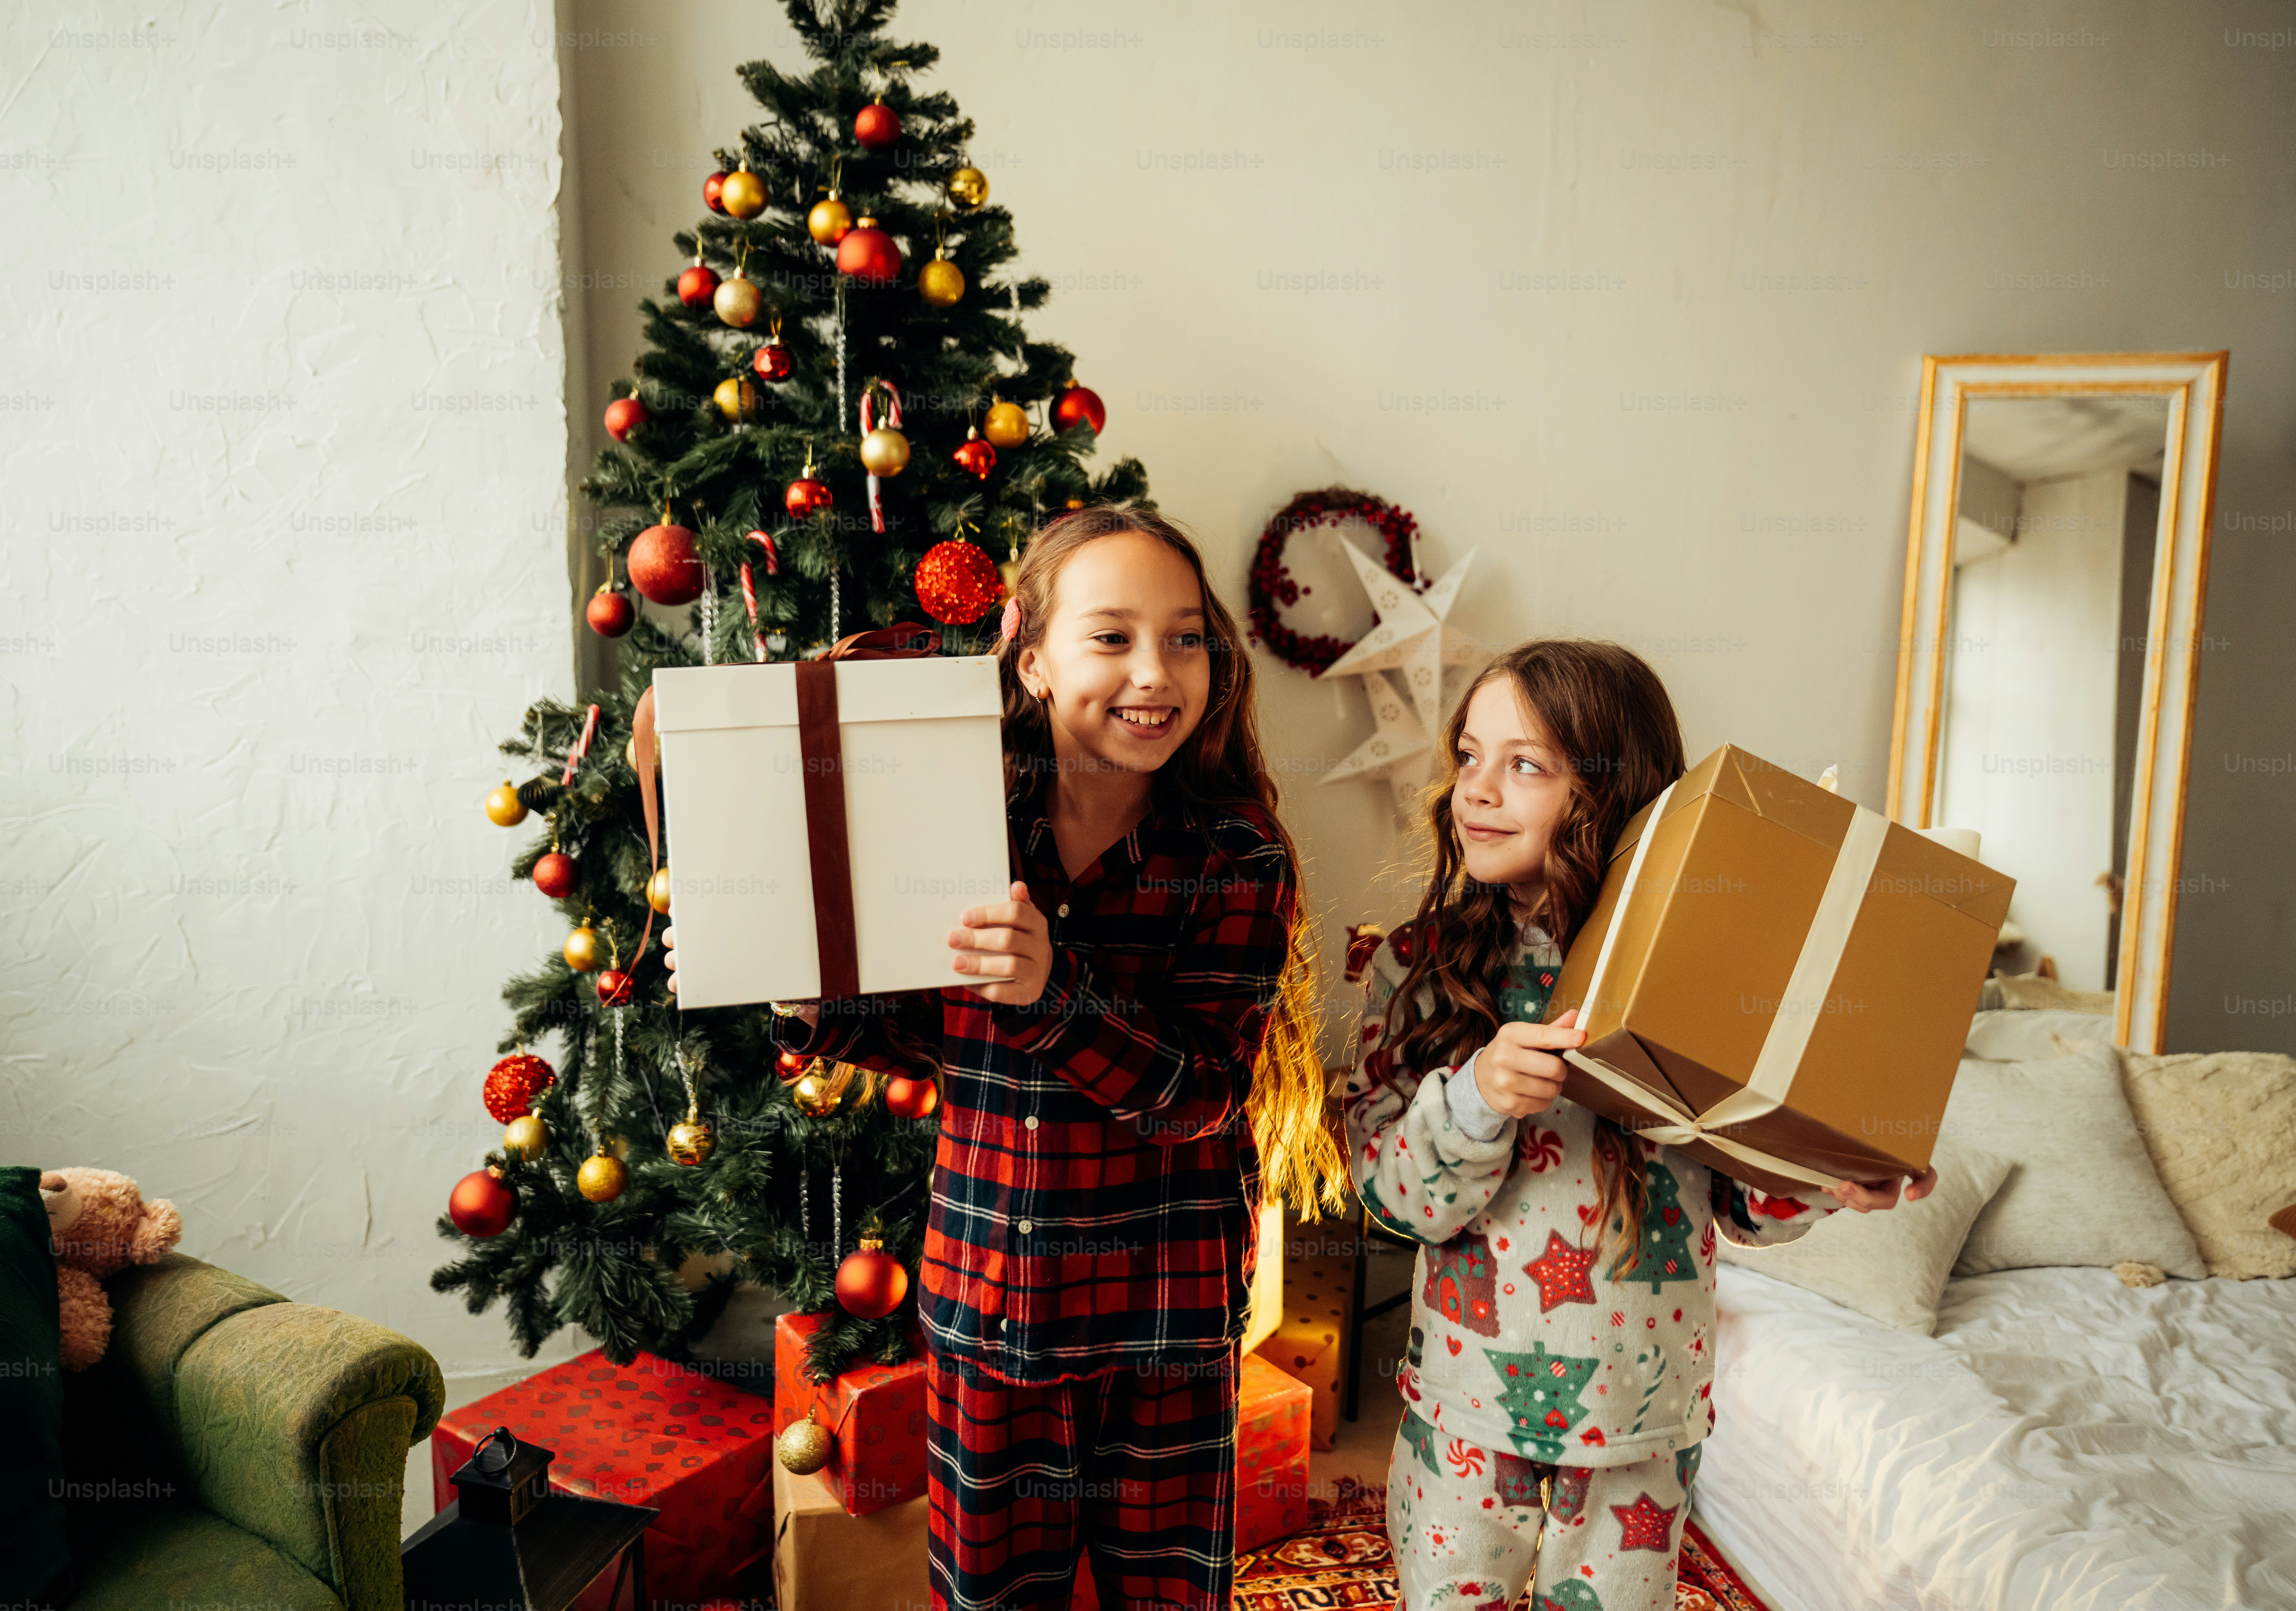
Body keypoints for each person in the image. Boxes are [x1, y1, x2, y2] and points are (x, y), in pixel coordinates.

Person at [669, 506, 1341, 1611]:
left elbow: (1203, 1096)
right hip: (995, 1304)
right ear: (1028, 656)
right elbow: (930, 1035)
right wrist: (795, 983)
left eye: (1184, 640)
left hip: (1162, 1316)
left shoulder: (1234, 851)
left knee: (1170, 1593)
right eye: (1112, 637)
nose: (1155, 671)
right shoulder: (957, 818)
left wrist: (1053, 993)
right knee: (990, 1594)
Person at [1344, 638, 1934, 1611]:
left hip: (1640, 1421)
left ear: (1609, 794)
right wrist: (1476, 1096)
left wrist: (1826, 1175)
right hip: (1465, 1413)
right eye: (1467, 754)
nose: (1475, 790)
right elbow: (1398, 1200)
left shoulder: (1700, 979)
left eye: (1525, 765)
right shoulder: (1421, 965)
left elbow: (1746, 1203)